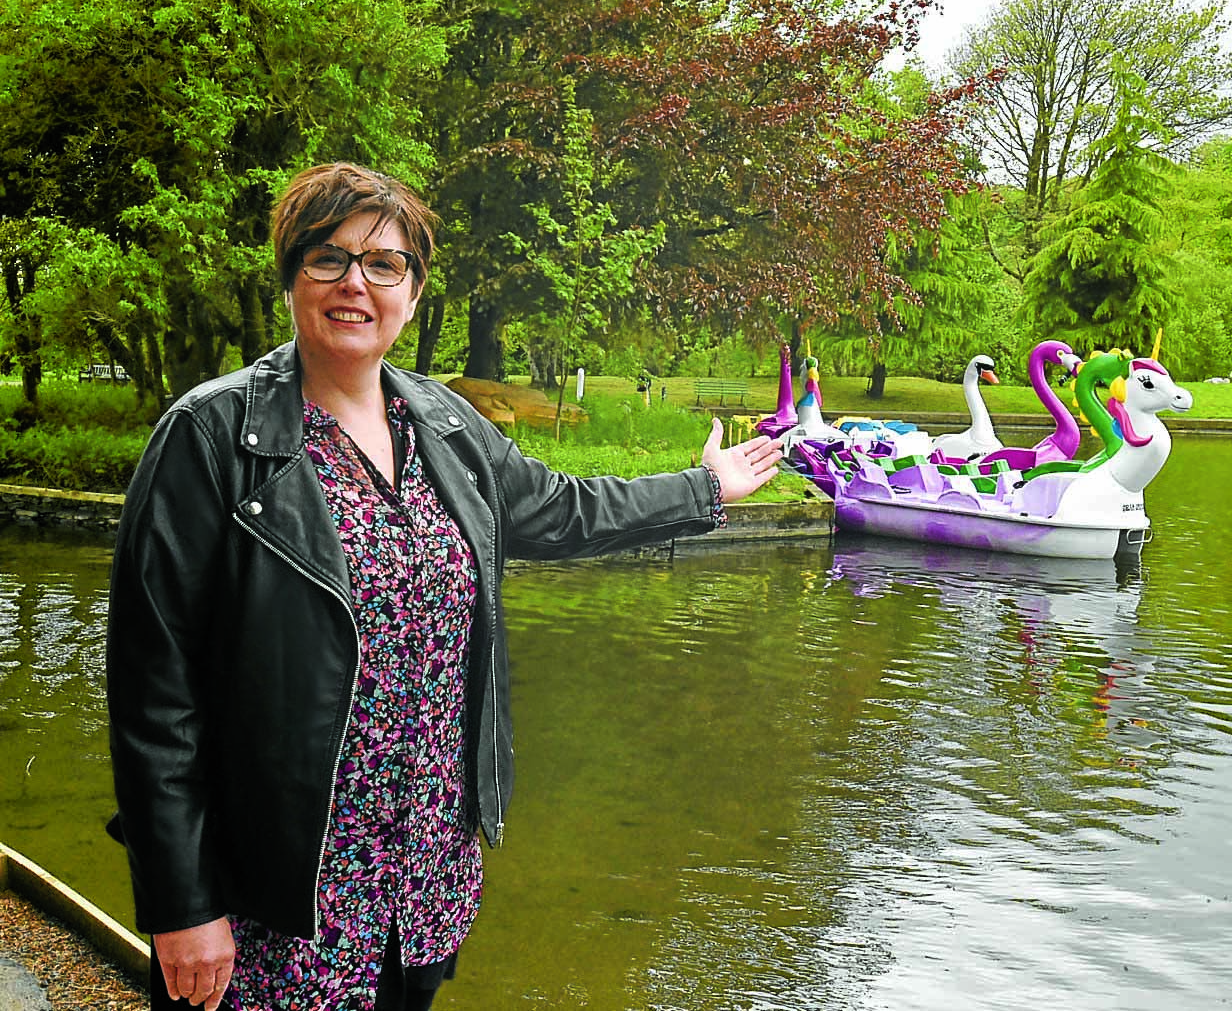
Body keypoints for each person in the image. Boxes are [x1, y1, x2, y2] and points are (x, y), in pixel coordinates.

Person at [105, 161, 783, 1011]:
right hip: (275, 897)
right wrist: (181, 903)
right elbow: (152, 695)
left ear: (414, 294)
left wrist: (703, 489)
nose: (356, 282)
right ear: (291, 278)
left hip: (423, 885)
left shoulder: (447, 427)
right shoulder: (209, 437)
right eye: (329, 257)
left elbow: (565, 510)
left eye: (384, 264)